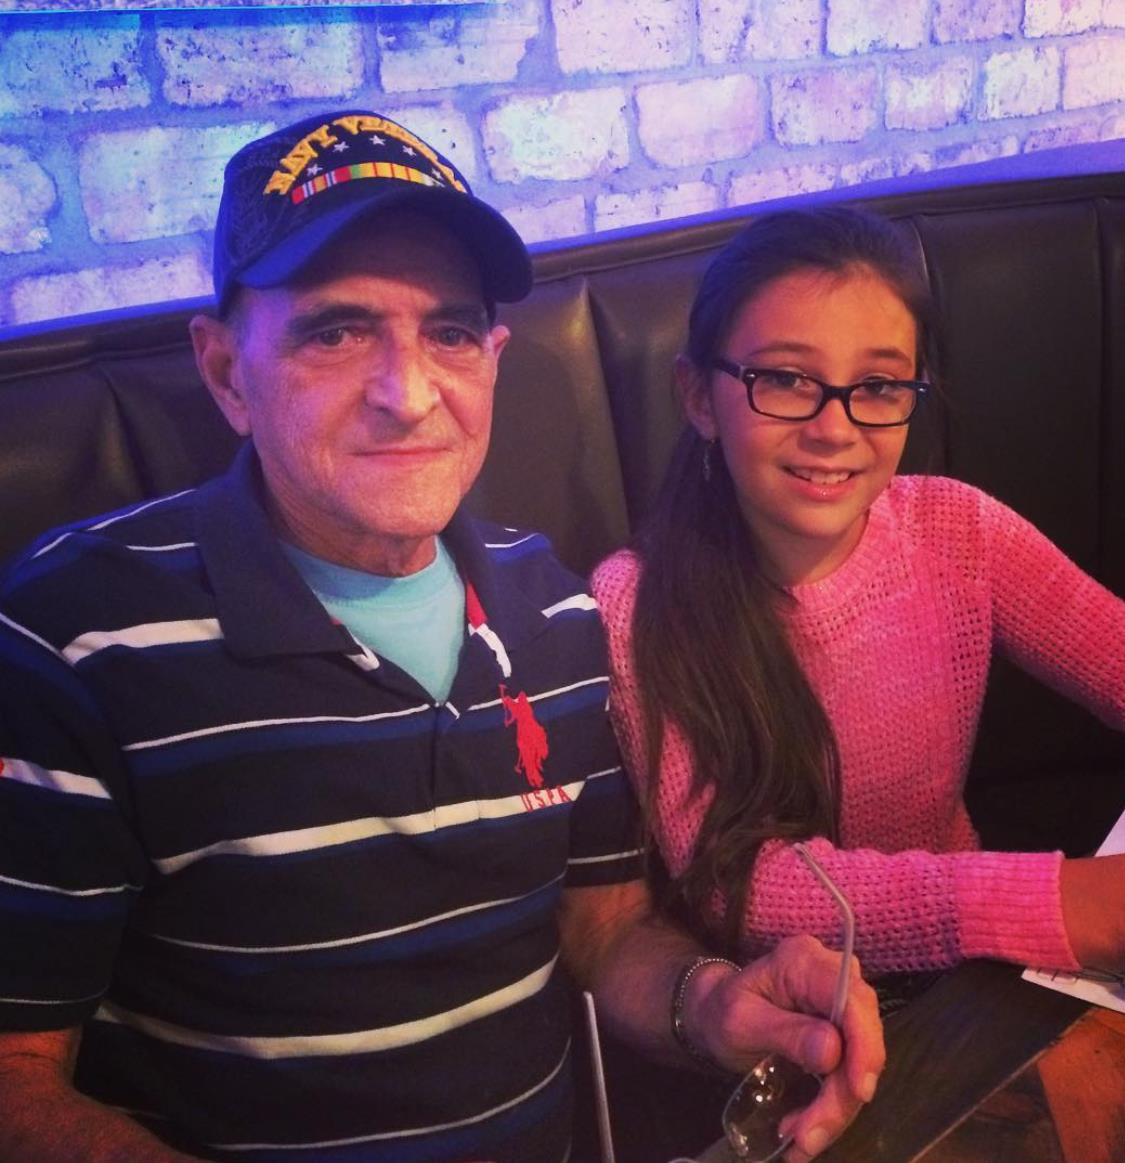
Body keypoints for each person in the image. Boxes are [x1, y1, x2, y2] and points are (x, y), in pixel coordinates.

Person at [0, 112, 883, 1163]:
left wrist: (710, 1001)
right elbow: (17, 1075)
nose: (409, 393)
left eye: (450, 333)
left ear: (493, 359)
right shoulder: (74, 637)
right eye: (336, 332)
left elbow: (603, 928)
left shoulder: (553, 612)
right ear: (228, 371)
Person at [591, 205, 1125, 982]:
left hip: (969, 973)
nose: (835, 428)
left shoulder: (956, 530)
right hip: (783, 1008)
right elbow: (739, 888)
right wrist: (1044, 901)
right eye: (786, 378)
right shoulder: (635, 605)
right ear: (699, 397)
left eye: (877, 385)